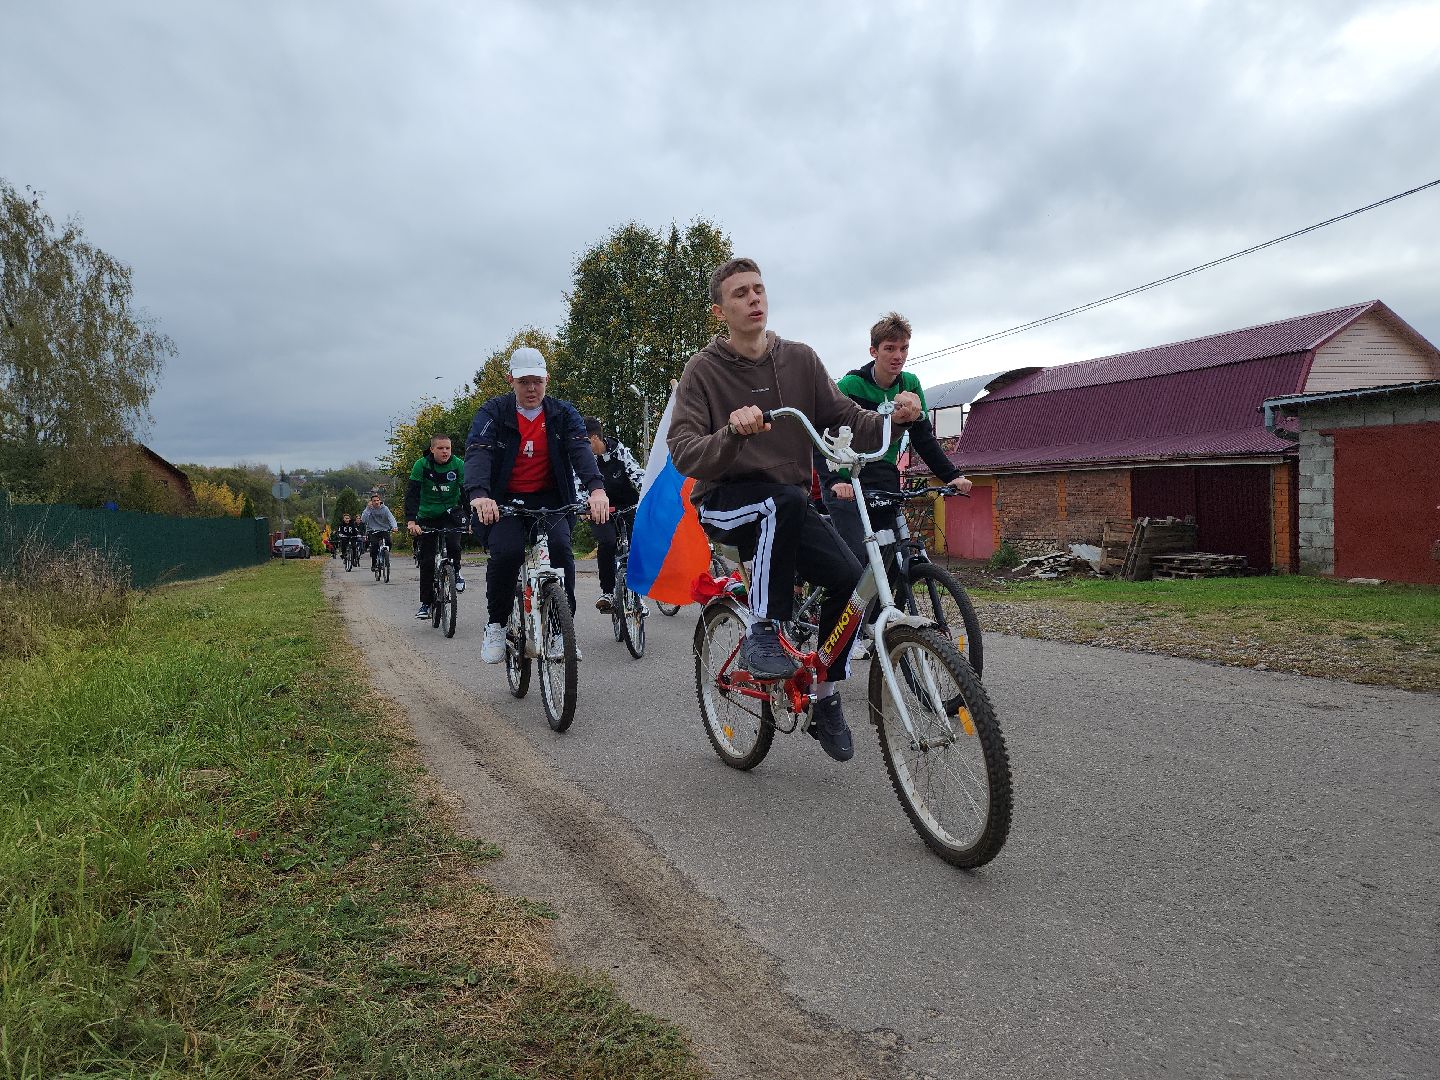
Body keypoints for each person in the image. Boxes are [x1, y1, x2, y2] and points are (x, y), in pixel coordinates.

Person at [667, 257, 921, 762]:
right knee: (780, 502)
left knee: (854, 581)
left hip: (784, 505)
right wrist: (730, 433)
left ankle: (826, 697)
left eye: (758, 289)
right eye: (740, 293)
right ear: (720, 311)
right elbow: (683, 450)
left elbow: (844, 416)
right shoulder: (703, 371)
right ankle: (764, 629)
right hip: (724, 502)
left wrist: (892, 416)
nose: (753, 299)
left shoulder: (800, 359)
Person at [465, 346, 609, 665]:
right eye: (523, 382)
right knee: (508, 553)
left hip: (550, 498)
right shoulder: (493, 412)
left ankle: (559, 631)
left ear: (547, 379)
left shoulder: (562, 413)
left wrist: (597, 489)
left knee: (560, 550)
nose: (531, 389)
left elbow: (581, 452)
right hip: (502, 500)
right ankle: (497, 625)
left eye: (537, 381)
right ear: (511, 381)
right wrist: (479, 494)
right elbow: (478, 452)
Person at [819, 312, 972, 565]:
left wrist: (952, 476)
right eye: (889, 348)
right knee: (857, 559)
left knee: (894, 555)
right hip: (846, 476)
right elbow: (823, 438)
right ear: (873, 351)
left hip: (883, 473)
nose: (898, 356)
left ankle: (890, 604)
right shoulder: (849, 386)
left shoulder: (910, 385)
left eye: (904, 348)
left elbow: (923, 439)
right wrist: (834, 481)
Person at [583, 416, 645, 613]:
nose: (581, 446)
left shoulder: (620, 452)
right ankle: (608, 592)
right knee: (608, 543)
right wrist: (584, 506)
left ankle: (639, 597)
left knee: (636, 547)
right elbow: (578, 484)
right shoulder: (584, 459)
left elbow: (637, 474)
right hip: (600, 510)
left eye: (583, 441)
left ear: (594, 438)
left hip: (628, 505)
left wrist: (647, 494)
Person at [404, 434, 466, 619]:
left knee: (454, 544)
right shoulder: (421, 465)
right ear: (432, 449)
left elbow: (466, 493)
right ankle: (426, 603)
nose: (445, 451)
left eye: (448, 448)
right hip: (427, 516)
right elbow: (412, 494)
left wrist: (472, 519)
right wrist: (411, 521)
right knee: (427, 561)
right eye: (440, 448)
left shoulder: (458, 464)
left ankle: (456, 570)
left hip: (451, 514)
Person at [359, 493, 397, 570]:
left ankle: (386, 556)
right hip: (373, 530)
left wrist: (394, 527)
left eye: (378, 500)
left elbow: (391, 518)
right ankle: (374, 564)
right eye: (374, 501)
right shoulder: (369, 509)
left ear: (380, 501)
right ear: (371, 502)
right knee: (374, 545)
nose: (376, 502)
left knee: (389, 542)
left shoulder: (385, 509)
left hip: (384, 529)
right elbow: (363, 520)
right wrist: (367, 509)